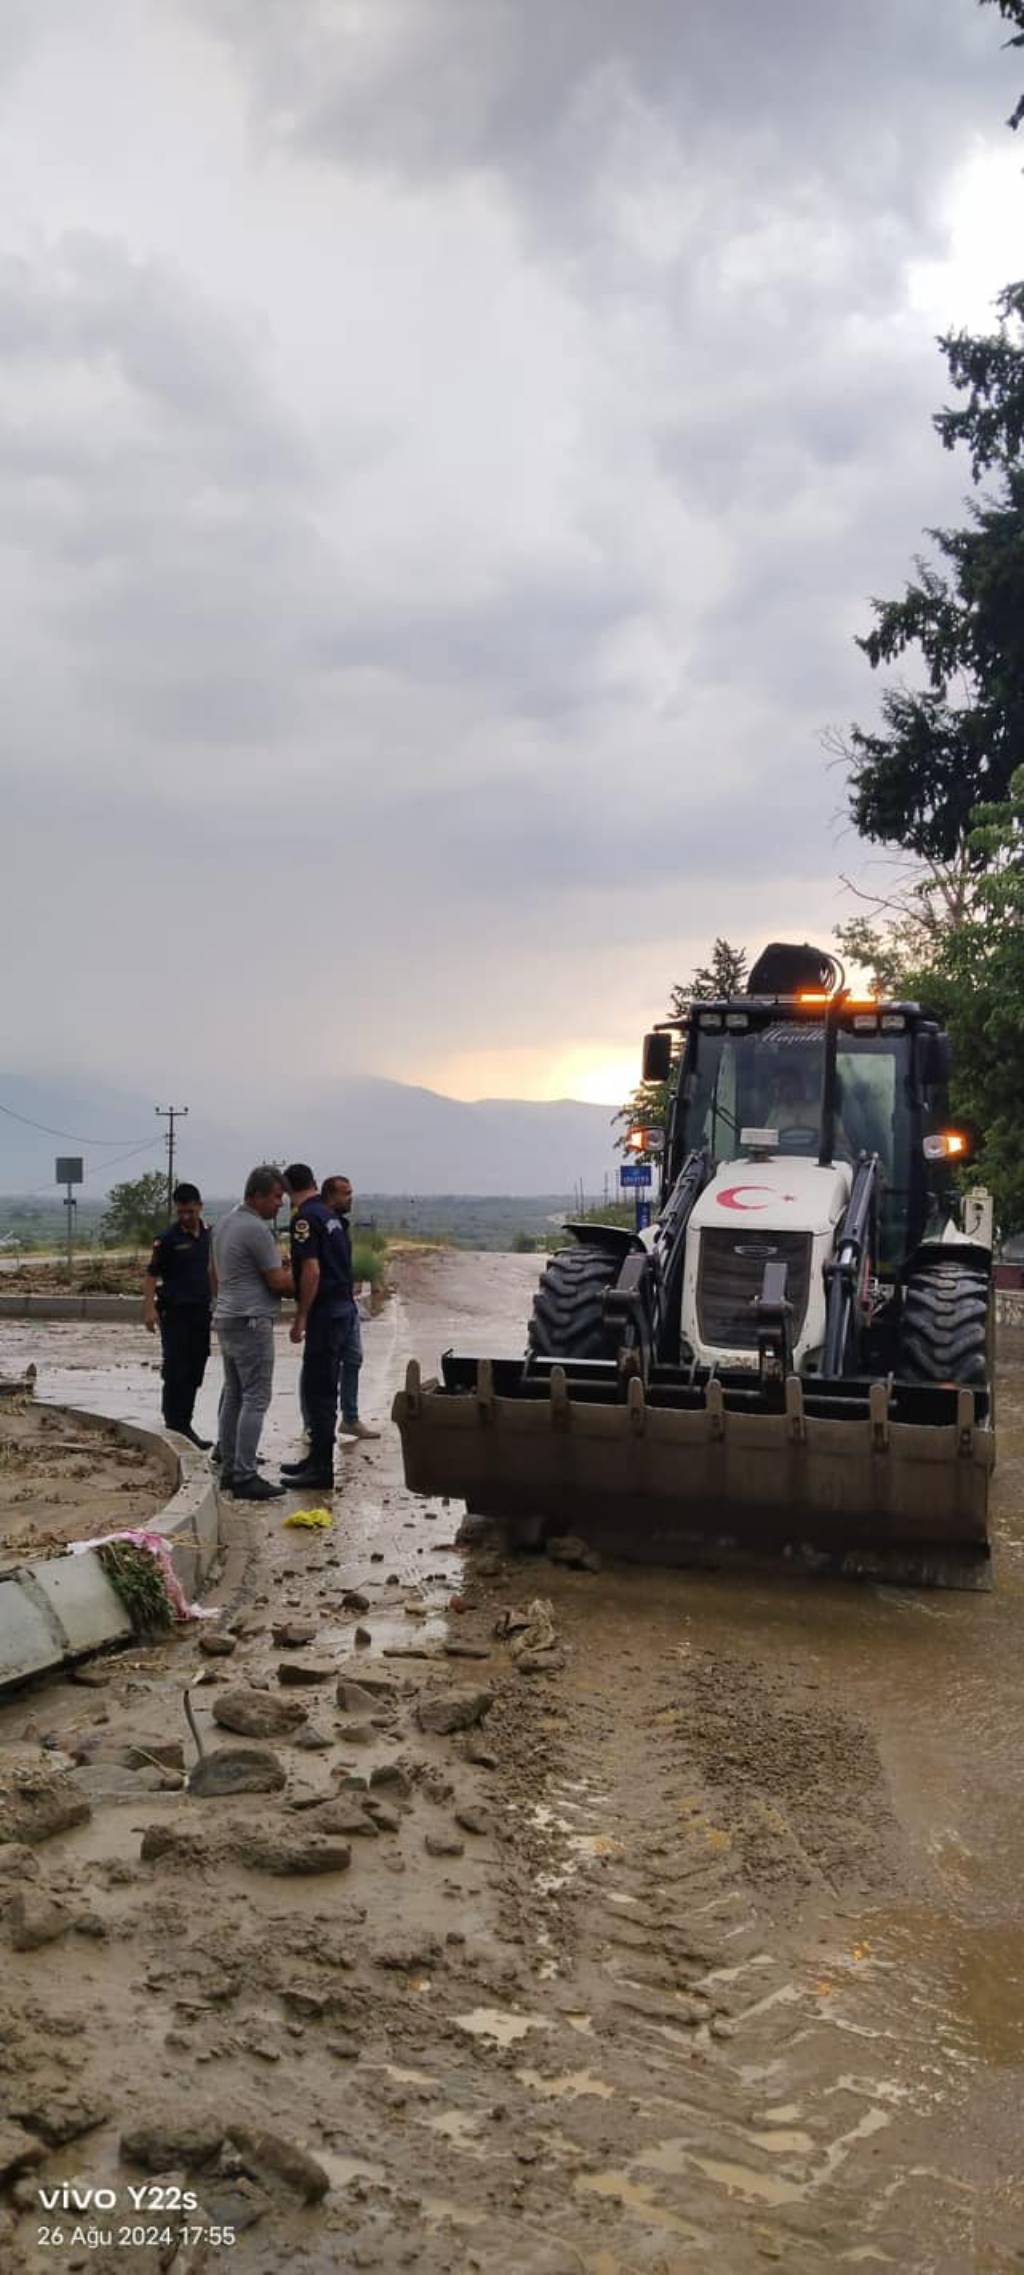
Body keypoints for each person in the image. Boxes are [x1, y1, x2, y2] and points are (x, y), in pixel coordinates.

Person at [211, 1165, 292, 1501]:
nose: (280, 1205)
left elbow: (215, 1273)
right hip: (251, 1320)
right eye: (275, 1197)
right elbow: (277, 1282)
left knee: (234, 1394)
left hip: (227, 1316)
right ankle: (245, 1474)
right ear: (257, 1195)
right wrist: (298, 1277)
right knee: (256, 1397)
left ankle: (230, 1467)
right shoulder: (257, 1230)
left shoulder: (225, 1223)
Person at [278, 1163, 352, 1492]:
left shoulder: (305, 1219)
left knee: (319, 1391)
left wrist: (301, 1316)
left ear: (288, 1186)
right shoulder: (331, 1216)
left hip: (324, 1314)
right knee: (321, 1385)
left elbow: (311, 1271)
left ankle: (322, 1469)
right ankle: (315, 1459)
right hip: (341, 1309)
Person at [143, 1182, 213, 1448]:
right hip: (174, 1314)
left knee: (196, 1367)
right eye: (181, 1212)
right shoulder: (167, 1239)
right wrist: (149, 1309)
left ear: (199, 1207)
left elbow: (215, 1272)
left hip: (201, 1313)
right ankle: (174, 1427)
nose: (185, 1217)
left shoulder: (210, 1236)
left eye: (190, 1212)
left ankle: (186, 1423)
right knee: (175, 1370)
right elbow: (151, 1276)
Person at [322, 1174, 380, 1445]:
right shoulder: (322, 1222)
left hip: (347, 1304)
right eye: (345, 1193)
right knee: (326, 1367)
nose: (350, 1197)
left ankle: (350, 1417)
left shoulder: (341, 1225)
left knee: (354, 1359)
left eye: (351, 1192)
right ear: (331, 1196)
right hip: (331, 1307)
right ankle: (318, 1422)